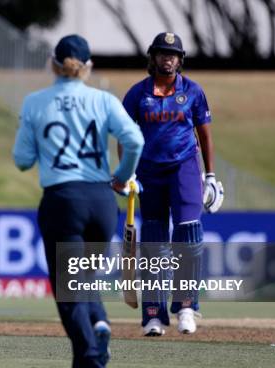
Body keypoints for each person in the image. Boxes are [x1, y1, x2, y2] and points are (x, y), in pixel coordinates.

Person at [13, 35, 144, 368]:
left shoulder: (36, 102)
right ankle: (99, 320)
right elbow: (134, 141)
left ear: (53, 64)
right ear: (87, 67)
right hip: (102, 200)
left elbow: (22, 159)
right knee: (84, 277)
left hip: (62, 201)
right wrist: (122, 177)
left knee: (69, 291)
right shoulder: (103, 100)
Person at [121, 32, 224, 337]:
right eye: (163, 53)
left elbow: (204, 135)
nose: (168, 58)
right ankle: (153, 313)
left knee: (189, 235)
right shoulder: (137, 94)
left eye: (173, 54)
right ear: (152, 57)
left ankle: (187, 307)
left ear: (180, 60)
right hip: (149, 172)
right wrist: (127, 172)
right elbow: (126, 137)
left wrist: (211, 176)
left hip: (184, 168)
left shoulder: (192, 91)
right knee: (154, 243)